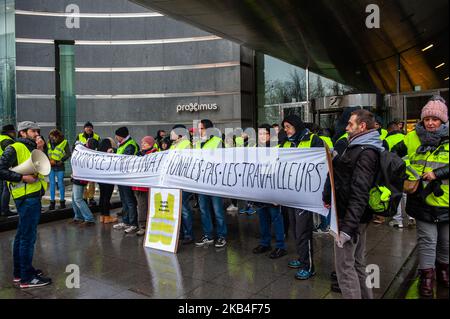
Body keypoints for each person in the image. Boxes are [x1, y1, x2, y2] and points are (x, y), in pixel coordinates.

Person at [392, 96, 449, 298]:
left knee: (446, 241)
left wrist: (438, 174)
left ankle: (444, 272)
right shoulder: (411, 137)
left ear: (443, 120)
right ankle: (426, 277)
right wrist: (405, 175)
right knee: (427, 241)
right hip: (421, 200)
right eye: (427, 119)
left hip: (447, 202)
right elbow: (392, 155)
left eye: (435, 119)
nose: (431, 123)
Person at [324, 109, 382, 299]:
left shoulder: (365, 152)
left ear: (362, 126)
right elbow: (349, 177)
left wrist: (347, 228)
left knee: (345, 269)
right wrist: (337, 160)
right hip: (356, 217)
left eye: (350, 124)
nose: (346, 127)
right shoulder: (359, 146)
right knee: (357, 264)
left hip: (350, 218)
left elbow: (359, 192)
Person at [0, 121, 51, 288]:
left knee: (22, 236)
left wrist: (41, 149)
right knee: (28, 238)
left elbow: (43, 166)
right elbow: (1, 169)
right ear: (22, 133)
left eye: (38, 129)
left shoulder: (33, 147)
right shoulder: (14, 148)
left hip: (32, 196)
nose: (37, 132)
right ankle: (27, 278)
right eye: (32, 130)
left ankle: (19, 272)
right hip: (26, 196)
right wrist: (22, 177)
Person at [279, 115, 324, 280]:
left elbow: (321, 166)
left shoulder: (314, 140)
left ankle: (309, 266)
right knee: (296, 230)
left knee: (304, 231)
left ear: (296, 126)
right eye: (284, 127)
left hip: (306, 195)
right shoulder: (286, 142)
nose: (286, 130)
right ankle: (302, 258)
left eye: (288, 127)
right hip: (290, 193)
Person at [252, 124, 287, 259]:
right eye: (259, 134)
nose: (261, 136)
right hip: (260, 190)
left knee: (276, 218)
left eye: (263, 134)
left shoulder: (278, 148)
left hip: (273, 190)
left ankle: (280, 246)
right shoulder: (255, 149)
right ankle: (265, 243)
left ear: (270, 135)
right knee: (263, 218)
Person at [194, 119, 227, 248]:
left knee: (217, 210)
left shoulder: (217, 142)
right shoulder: (197, 143)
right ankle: (208, 235)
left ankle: (222, 236)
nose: (199, 131)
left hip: (214, 182)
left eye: (201, 129)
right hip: (201, 181)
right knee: (203, 210)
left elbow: (223, 161)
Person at [169, 125, 195, 244]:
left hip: (183, 181)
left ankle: (188, 234)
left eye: (173, 132)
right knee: (178, 208)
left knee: (183, 208)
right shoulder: (175, 144)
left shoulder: (185, 144)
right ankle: (181, 233)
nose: (171, 134)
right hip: (174, 180)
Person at [112, 127, 140, 234]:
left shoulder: (130, 145)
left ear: (121, 136)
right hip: (122, 177)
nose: (116, 137)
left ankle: (133, 224)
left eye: (117, 135)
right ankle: (126, 221)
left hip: (127, 177)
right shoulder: (123, 144)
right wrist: (114, 151)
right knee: (124, 200)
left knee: (129, 201)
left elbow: (125, 158)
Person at [132, 136, 158, 236]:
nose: (143, 144)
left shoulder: (155, 154)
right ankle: (143, 225)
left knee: (145, 206)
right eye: (142, 142)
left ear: (151, 144)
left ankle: (145, 226)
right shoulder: (139, 154)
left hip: (147, 186)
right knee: (141, 206)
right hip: (137, 185)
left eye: (145, 143)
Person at [69, 138, 96, 226]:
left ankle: (89, 218)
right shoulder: (88, 152)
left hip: (80, 178)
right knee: (74, 198)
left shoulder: (85, 151)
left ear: (88, 144)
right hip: (79, 177)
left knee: (78, 199)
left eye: (87, 141)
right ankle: (78, 217)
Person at [76, 122, 100, 206]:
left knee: (91, 182)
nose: (88, 128)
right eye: (87, 127)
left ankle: (91, 198)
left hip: (92, 163)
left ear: (92, 128)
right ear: (84, 128)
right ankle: (85, 198)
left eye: (90, 127)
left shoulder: (96, 137)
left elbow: (99, 149)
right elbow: (75, 148)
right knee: (83, 181)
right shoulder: (79, 136)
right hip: (82, 163)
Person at [47, 129, 71, 210]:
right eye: (51, 137)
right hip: (51, 165)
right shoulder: (49, 142)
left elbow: (68, 154)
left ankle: (62, 202)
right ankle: (52, 202)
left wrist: (61, 161)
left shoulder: (64, 142)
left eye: (53, 137)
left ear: (58, 136)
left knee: (60, 184)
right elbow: (47, 152)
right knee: (52, 184)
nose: (52, 138)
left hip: (59, 165)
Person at [97, 138, 118, 224]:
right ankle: (107, 216)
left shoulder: (98, 153)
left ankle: (102, 216)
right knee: (107, 197)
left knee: (102, 196)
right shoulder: (110, 152)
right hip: (108, 178)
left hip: (100, 178)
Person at [0, 124, 16, 219]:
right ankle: (5, 210)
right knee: (6, 189)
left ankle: (1, 209)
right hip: (5, 167)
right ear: (10, 132)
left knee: (1, 189)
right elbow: (11, 155)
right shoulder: (7, 141)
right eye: (13, 131)